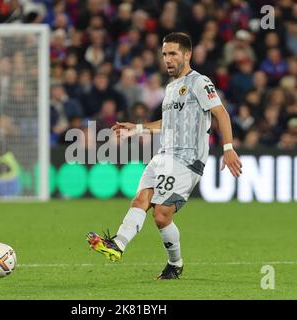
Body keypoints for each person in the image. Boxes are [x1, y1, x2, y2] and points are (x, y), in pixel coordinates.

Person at [87, 32, 242, 280]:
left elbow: (221, 113)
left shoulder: (199, 82)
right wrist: (137, 128)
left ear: (187, 55)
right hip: (164, 155)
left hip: (186, 159)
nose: (167, 59)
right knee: (140, 200)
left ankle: (175, 264)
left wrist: (228, 148)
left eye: (173, 54)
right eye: (164, 55)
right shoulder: (170, 88)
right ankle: (117, 245)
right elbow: (168, 122)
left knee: (161, 215)